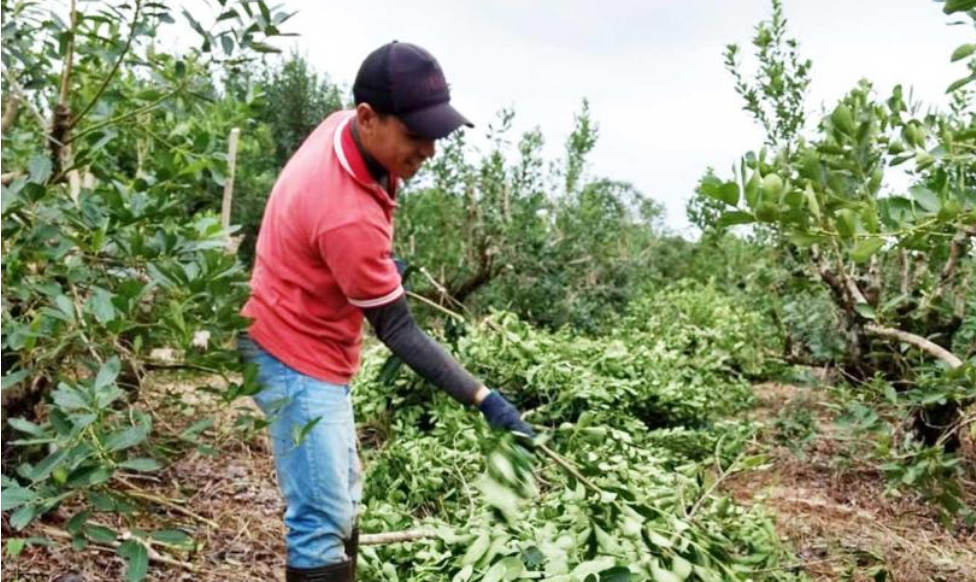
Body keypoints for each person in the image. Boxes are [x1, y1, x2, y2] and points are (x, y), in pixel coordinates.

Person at [237, 41, 534, 582]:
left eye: (435, 135)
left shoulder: (345, 130)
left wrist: (366, 268)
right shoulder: (346, 214)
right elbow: (397, 329)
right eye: (416, 135)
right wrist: (485, 399)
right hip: (293, 355)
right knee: (322, 520)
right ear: (369, 117)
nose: (429, 151)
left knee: (344, 498)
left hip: (300, 327)